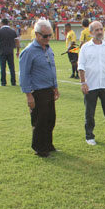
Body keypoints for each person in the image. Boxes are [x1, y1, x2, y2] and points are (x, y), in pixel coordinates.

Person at [19, 19, 59, 158]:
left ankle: (48, 144)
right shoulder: (28, 52)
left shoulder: (48, 49)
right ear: (36, 34)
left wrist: (55, 87)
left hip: (49, 89)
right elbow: (24, 75)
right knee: (39, 120)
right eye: (45, 36)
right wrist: (28, 95)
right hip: (37, 91)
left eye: (50, 35)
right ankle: (39, 148)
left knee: (50, 119)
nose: (48, 38)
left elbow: (52, 69)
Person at [0, 18, 20, 86]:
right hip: (10, 51)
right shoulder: (13, 31)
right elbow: (17, 42)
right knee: (12, 67)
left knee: (3, 68)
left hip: (2, 51)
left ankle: (3, 83)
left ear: (2, 23)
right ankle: (13, 82)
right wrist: (17, 51)